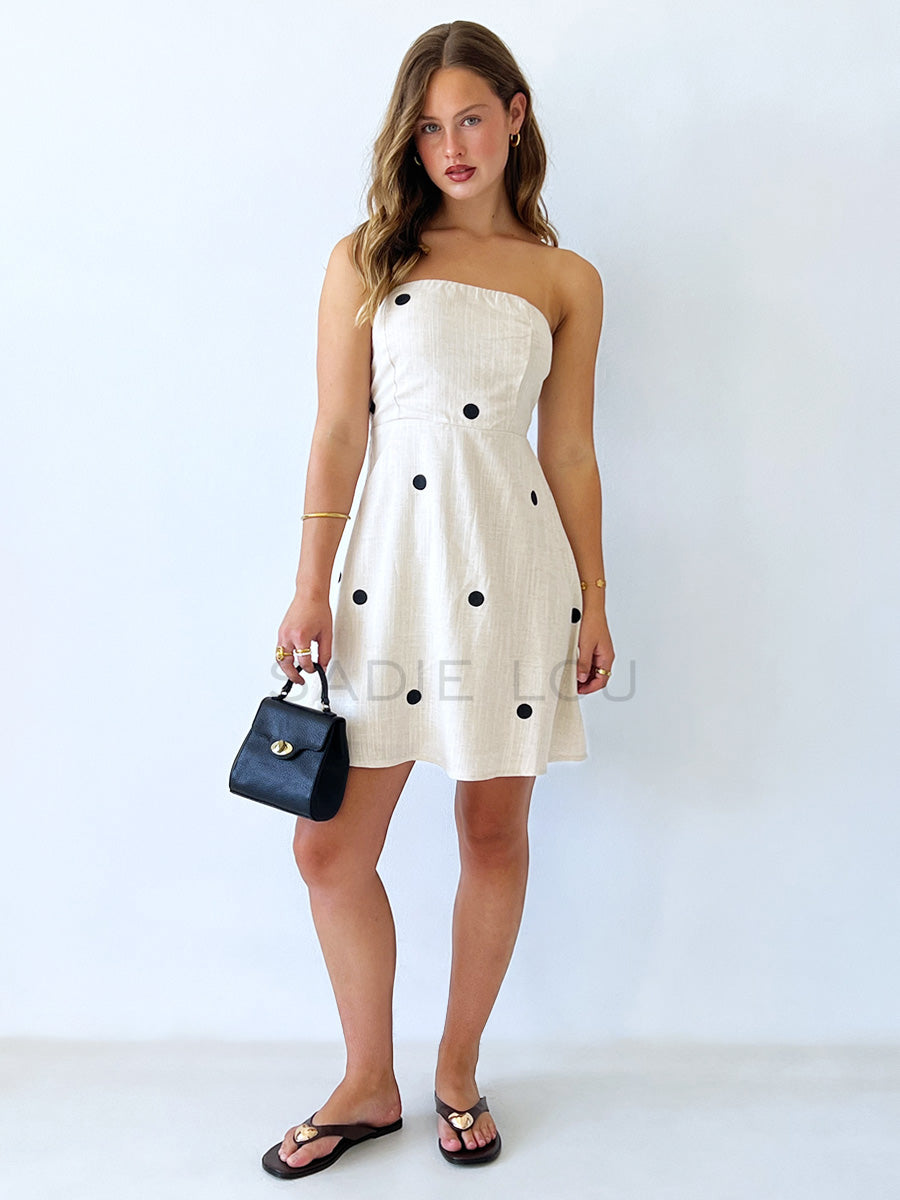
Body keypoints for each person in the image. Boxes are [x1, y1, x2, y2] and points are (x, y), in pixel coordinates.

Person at [262, 19, 613, 1180]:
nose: (451, 147)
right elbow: (336, 431)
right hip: (387, 577)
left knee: (492, 831)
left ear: (515, 115)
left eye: (469, 119)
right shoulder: (368, 256)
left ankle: (457, 1072)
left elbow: (570, 452)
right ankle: (368, 1082)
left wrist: (596, 598)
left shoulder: (566, 279)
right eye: (426, 128)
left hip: (512, 575)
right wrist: (309, 587)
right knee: (328, 851)